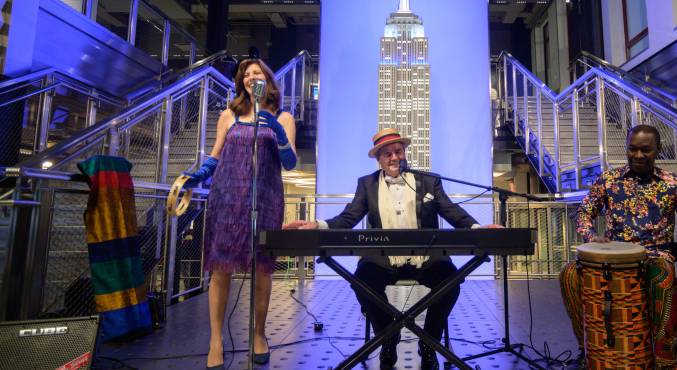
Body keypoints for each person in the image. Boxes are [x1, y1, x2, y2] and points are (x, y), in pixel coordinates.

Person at [283, 128, 502, 370]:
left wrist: (478, 228)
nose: (394, 157)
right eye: (387, 154)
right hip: (383, 261)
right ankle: (389, 336)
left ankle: (429, 343)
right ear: (379, 159)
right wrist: (318, 225)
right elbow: (348, 218)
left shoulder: (429, 181)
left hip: (426, 259)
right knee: (362, 280)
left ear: (405, 153)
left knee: (450, 281)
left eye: (398, 151)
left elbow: (451, 211)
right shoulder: (366, 184)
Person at [559, 124, 677, 370]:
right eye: (633, 149)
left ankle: (664, 360)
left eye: (645, 150)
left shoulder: (675, 184)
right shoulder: (607, 180)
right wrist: (590, 235)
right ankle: (589, 348)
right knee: (569, 274)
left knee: (663, 274)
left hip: (655, 256)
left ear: (657, 150)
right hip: (612, 260)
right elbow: (584, 212)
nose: (638, 155)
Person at [182, 58, 297, 369]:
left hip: (266, 198)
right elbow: (215, 156)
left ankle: (259, 334)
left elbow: (290, 163)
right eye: (245, 74)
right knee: (220, 269)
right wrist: (196, 176)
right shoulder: (228, 115)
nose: (250, 77)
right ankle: (216, 339)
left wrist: (277, 131)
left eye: (256, 72)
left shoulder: (283, 117)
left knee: (262, 268)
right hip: (227, 197)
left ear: (268, 79)